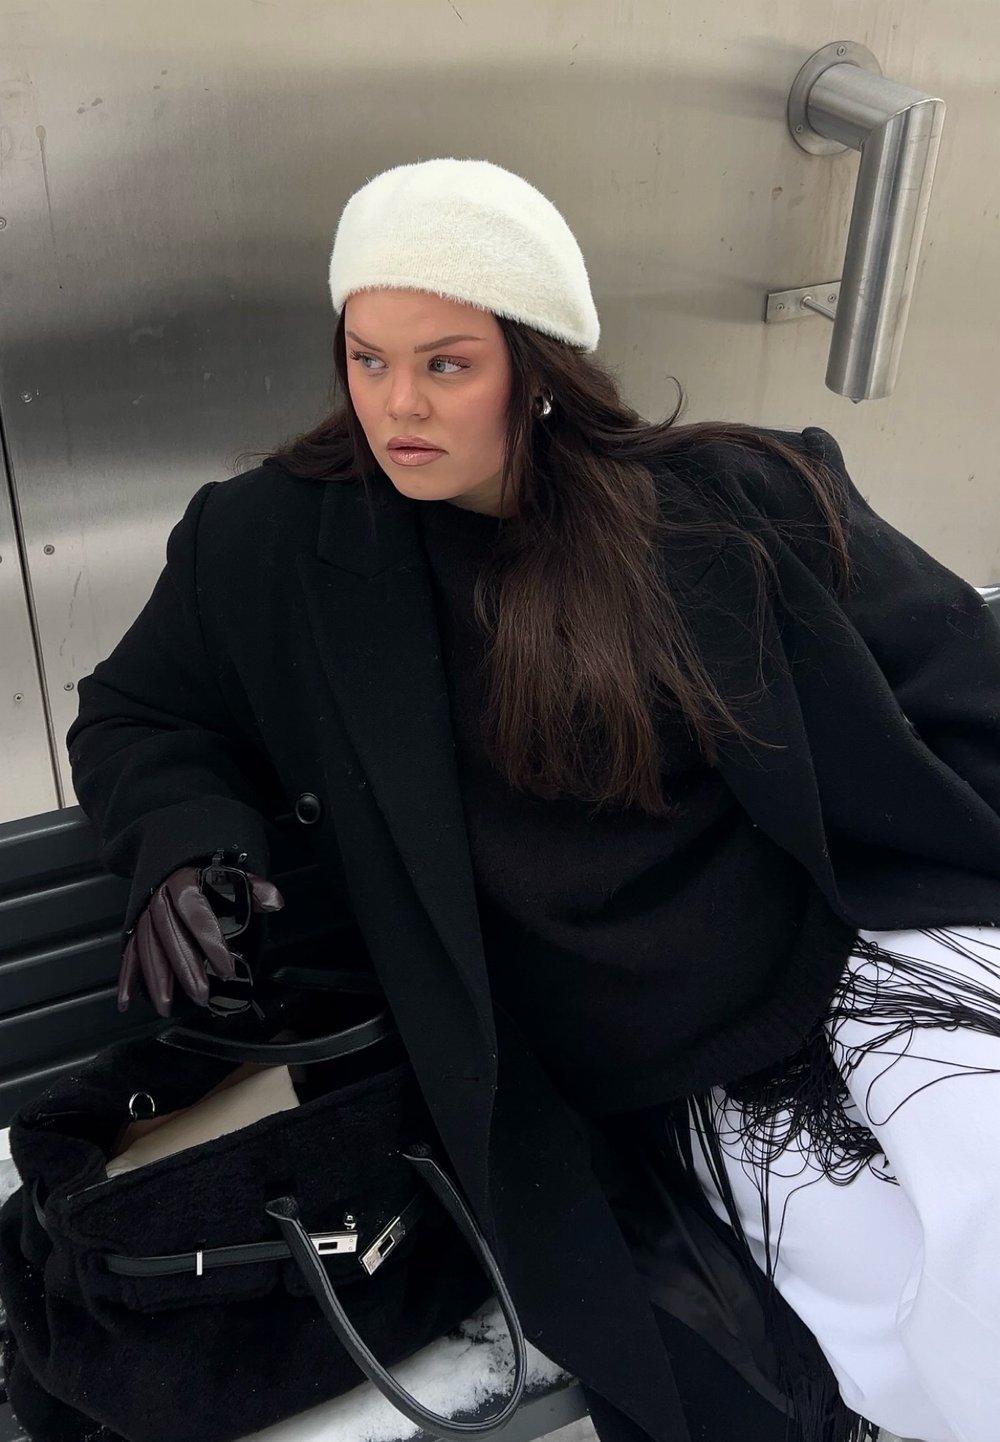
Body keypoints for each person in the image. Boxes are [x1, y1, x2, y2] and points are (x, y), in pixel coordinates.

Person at [65, 158, 1000, 1442]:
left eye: (446, 363)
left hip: (846, 955)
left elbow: (963, 683)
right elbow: (135, 711)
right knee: (877, 1323)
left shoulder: (726, 502)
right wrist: (182, 843)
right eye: (367, 356)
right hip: (637, 1081)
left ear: (537, 363)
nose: (398, 404)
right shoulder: (274, 548)